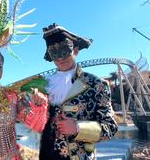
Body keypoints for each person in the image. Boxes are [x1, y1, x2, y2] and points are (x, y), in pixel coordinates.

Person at [39, 24, 118, 160]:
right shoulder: (43, 85)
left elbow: (111, 127)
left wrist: (78, 128)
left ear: (75, 51)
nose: (60, 58)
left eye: (65, 50)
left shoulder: (96, 84)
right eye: (54, 53)